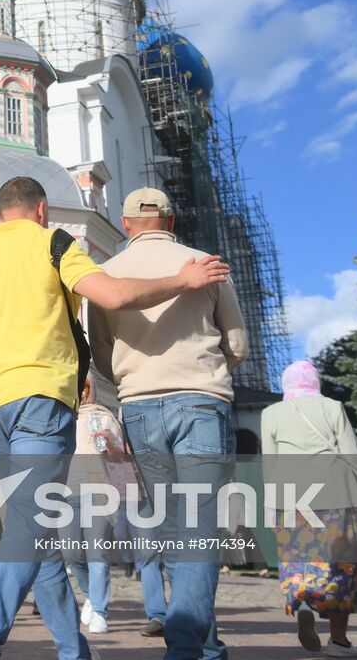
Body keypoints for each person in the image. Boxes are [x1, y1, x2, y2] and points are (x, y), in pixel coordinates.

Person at [0, 177, 230, 660]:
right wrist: (183, 280)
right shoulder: (53, 242)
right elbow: (111, 295)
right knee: (31, 527)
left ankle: (75, 650)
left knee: (39, 534)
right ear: (41, 210)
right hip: (39, 398)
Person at [88, 187, 247, 660]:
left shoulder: (106, 274)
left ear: (125, 223)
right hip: (201, 400)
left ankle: (205, 646)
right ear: (172, 221)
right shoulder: (205, 263)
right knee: (199, 529)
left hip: (138, 407)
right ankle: (185, 647)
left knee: (176, 530)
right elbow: (236, 345)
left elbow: (100, 357)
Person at [261, 361, 357, 657]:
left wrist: (271, 508)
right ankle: (338, 640)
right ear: (315, 381)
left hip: (291, 498)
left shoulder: (270, 414)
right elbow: (352, 452)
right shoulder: (332, 407)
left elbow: (270, 464)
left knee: (301, 561)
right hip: (336, 494)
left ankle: (306, 603)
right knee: (341, 566)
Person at [69, 376, 123, 636]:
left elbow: (119, 456)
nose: (81, 392)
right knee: (71, 554)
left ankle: (100, 611)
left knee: (96, 552)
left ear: (91, 391)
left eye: (85, 387)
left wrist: (111, 444)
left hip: (98, 489)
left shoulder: (102, 415)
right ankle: (91, 594)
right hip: (64, 491)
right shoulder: (60, 416)